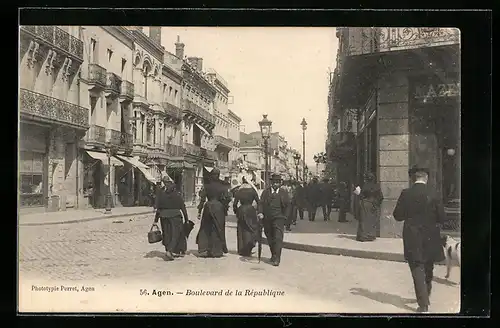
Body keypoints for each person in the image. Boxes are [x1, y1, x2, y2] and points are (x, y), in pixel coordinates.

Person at [392, 166, 446, 313]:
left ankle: (423, 304)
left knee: (417, 268)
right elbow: (442, 217)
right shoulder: (434, 193)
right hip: (431, 236)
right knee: (429, 266)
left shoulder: (406, 193)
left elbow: (397, 216)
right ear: (426, 178)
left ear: (413, 179)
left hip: (412, 236)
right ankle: (426, 295)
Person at [196, 168, 232, 258]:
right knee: (218, 228)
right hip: (219, 208)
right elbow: (227, 198)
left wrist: (199, 211)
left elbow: (202, 199)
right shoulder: (222, 186)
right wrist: (225, 207)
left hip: (208, 207)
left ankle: (206, 248)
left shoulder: (207, 185)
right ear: (219, 175)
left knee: (206, 227)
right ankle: (217, 250)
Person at [257, 174, 291, 266]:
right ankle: (274, 254)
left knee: (278, 238)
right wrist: (260, 212)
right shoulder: (266, 192)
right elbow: (260, 203)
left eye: (277, 182)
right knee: (270, 237)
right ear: (271, 183)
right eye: (274, 182)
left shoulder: (283, 192)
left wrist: (285, 217)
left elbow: (288, 205)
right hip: (267, 219)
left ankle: (277, 258)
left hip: (279, 218)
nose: (276, 184)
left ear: (280, 183)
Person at [154, 177, 190, 261]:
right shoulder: (177, 195)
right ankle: (170, 251)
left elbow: (159, 209)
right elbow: (183, 207)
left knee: (166, 233)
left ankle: (168, 249)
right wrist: (186, 219)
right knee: (175, 234)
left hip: (163, 216)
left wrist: (155, 220)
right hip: (175, 216)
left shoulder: (162, 195)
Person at [233, 177, 260, 257]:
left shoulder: (239, 191)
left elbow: (235, 204)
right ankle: (248, 248)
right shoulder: (252, 191)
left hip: (241, 210)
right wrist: (257, 210)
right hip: (250, 210)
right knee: (250, 229)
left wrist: (236, 211)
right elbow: (258, 202)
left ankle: (241, 249)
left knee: (241, 229)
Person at [355, 172, 383, 242]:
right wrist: (376, 204)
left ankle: (363, 235)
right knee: (372, 220)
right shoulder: (377, 186)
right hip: (373, 204)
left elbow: (360, 195)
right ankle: (371, 235)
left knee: (363, 220)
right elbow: (381, 197)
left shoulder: (364, 186)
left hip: (365, 204)